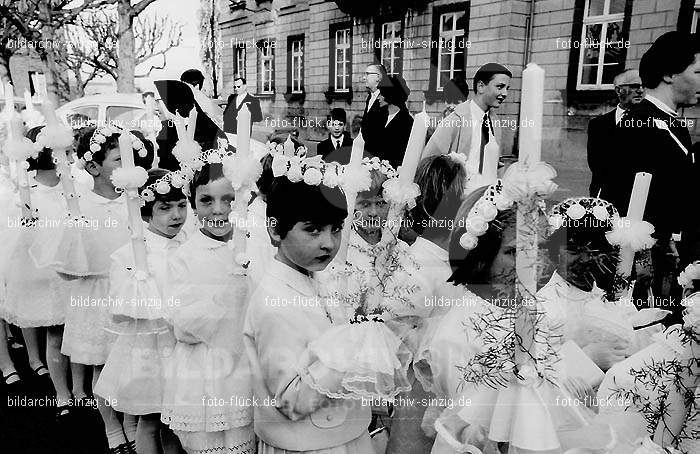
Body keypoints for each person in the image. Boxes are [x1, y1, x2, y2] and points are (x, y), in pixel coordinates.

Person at [243, 166, 375, 452]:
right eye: (312, 229)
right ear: (275, 229)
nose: (328, 243)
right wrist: (351, 345)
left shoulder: (320, 278)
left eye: (336, 229)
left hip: (347, 434)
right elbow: (292, 400)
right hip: (310, 445)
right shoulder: (273, 303)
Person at [57, 125, 153, 454]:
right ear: (95, 167)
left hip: (130, 291)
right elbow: (67, 268)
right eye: (117, 160)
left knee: (131, 363)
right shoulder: (80, 206)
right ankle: (112, 426)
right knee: (102, 363)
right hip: (97, 294)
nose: (126, 168)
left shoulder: (137, 201)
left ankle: (130, 420)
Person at [161, 159, 255, 454]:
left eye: (228, 199)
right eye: (206, 201)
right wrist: (226, 296)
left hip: (250, 368)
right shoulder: (184, 257)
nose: (218, 210)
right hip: (205, 374)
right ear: (193, 204)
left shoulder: (255, 247)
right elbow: (184, 329)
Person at [95, 169, 189, 454]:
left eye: (182, 206)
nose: (176, 215)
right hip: (150, 346)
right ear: (146, 212)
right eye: (165, 208)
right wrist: (139, 286)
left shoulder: (188, 245)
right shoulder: (132, 253)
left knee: (177, 420)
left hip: (184, 342)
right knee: (150, 419)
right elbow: (119, 309)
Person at [616, 31, 700, 325]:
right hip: (647, 259)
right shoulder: (641, 122)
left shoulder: (670, 122)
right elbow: (628, 198)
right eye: (698, 71)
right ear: (668, 74)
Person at [422, 63, 512, 194]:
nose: (505, 93)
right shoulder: (455, 120)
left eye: (507, 88)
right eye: (500, 87)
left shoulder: (495, 122)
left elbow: (494, 163)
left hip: (488, 201)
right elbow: (428, 163)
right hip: (457, 201)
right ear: (480, 86)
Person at [586, 69, 644, 200]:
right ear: (619, 90)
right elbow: (595, 165)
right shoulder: (598, 124)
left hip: (639, 199)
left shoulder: (654, 122)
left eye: (643, 86)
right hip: (605, 198)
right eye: (634, 86)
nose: (640, 90)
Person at [374, 74, 413, 169]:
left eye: (381, 94)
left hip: (394, 174)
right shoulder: (379, 117)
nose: (378, 97)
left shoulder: (407, 122)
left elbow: (403, 154)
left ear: (390, 95)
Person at [361, 63, 389, 153]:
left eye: (367, 74)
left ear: (378, 77)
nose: (364, 78)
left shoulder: (386, 99)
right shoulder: (369, 97)